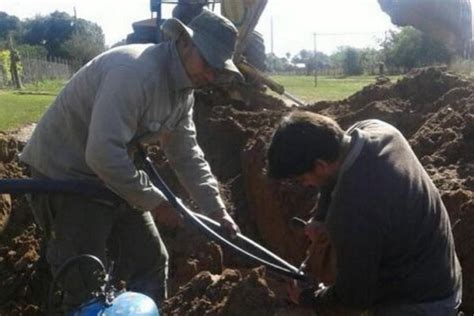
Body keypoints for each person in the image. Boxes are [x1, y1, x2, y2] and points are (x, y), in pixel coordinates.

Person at [20, 9, 241, 311]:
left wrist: (216, 211)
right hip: (67, 175)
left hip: (112, 174)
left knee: (151, 261)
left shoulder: (184, 91)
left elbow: (186, 153)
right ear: (185, 42)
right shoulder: (136, 73)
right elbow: (102, 153)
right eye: (208, 63)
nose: (211, 75)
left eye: (218, 69)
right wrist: (158, 202)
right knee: (84, 279)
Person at [266, 111, 462, 315]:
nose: (305, 184)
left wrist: (307, 297)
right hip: (441, 273)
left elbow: (354, 299)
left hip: (418, 303)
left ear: (320, 166)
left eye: (302, 179)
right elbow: (333, 176)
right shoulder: (376, 129)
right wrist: (320, 217)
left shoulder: (352, 210)